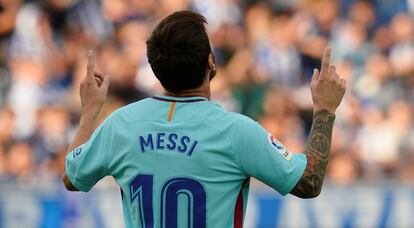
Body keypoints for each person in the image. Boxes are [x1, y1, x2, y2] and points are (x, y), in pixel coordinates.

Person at [63, 11, 346, 228]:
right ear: (211, 62)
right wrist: (325, 109)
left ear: (155, 67)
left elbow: (72, 177)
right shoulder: (235, 131)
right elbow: (308, 183)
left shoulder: (121, 124)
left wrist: (90, 110)